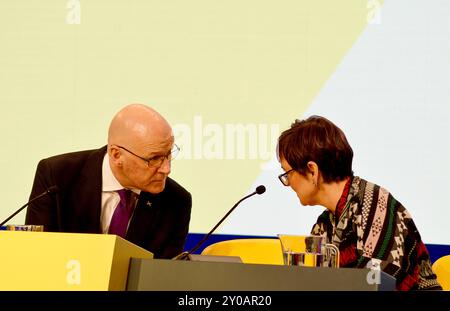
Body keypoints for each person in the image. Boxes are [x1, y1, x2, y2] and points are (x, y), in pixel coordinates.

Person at [277, 115, 441, 290]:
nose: (287, 183)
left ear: (312, 170)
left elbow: (375, 285)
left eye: (287, 173)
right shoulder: (323, 225)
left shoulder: (376, 205)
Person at [25, 103, 192, 259]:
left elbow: (163, 278)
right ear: (116, 154)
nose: (166, 169)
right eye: (154, 159)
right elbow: (35, 256)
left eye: (169, 154)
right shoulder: (57, 177)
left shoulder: (176, 201)